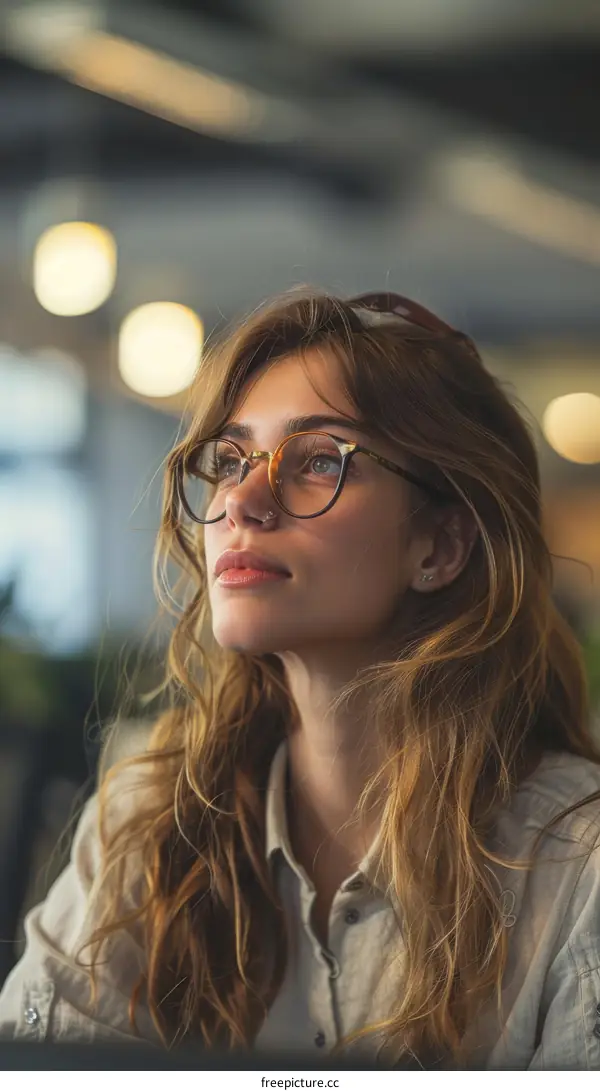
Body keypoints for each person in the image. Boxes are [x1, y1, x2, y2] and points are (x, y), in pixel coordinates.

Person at [1, 288, 600, 1069]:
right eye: (230, 460)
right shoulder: (148, 823)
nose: (239, 503)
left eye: (319, 459)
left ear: (440, 546)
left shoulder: (576, 867)